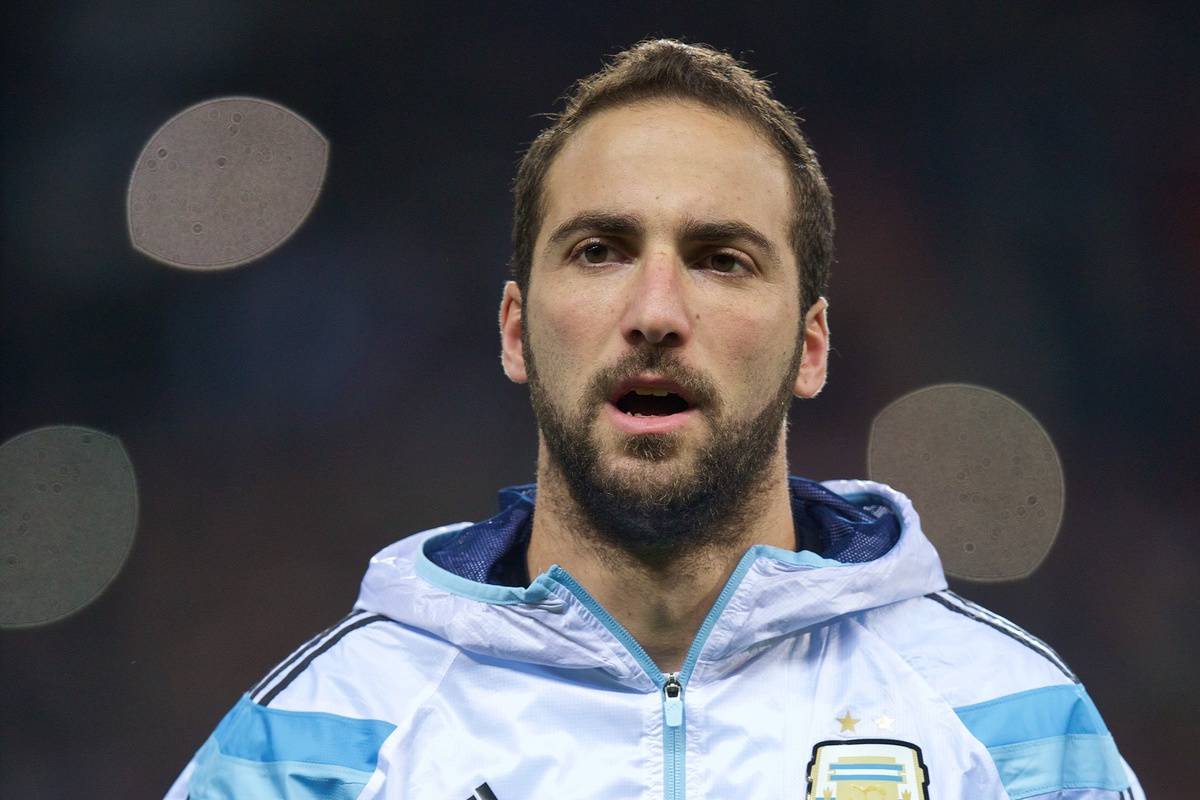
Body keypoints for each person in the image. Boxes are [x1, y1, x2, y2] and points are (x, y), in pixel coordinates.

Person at [166, 39, 1143, 800]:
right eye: (599, 250)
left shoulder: (1011, 725)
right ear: (514, 331)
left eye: (722, 256)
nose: (657, 311)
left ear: (811, 346)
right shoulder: (318, 742)